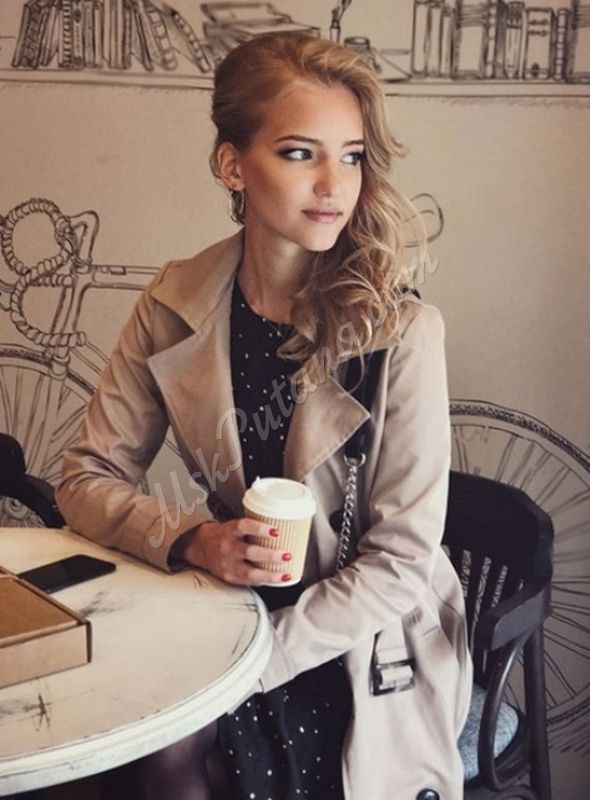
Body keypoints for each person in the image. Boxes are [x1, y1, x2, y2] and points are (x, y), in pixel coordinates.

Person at [57, 32, 472, 800]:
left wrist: (243, 668)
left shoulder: (403, 332)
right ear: (232, 164)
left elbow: (399, 566)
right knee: (84, 736)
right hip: (229, 602)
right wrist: (193, 539)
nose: (334, 184)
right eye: (299, 153)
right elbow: (86, 477)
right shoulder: (174, 303)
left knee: (161, 754)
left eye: (351, 156)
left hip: (354, 641)